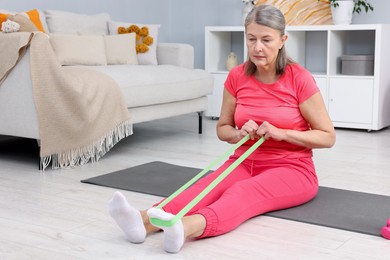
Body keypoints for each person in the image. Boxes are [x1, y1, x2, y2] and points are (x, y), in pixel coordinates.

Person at [108, 4, 336, 254]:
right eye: (251, 39)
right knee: (206, 187)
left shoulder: (298, 78)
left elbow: (327, 136)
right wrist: (239, 134)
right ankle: (143, 222)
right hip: (243, 160)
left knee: (242, 192)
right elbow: (222, 128)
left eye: (266, 40)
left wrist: (282, 133)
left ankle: (185, 227)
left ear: (282, 40)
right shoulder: (237, 76)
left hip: (292, 168)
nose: (257, 47)